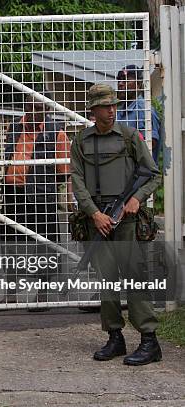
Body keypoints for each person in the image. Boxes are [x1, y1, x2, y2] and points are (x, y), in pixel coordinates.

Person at [70, 84, 162, 365]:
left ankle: (149, 341)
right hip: (97, 218)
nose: (111, 110)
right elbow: (77, 181)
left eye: (114, 105)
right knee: (106, 279)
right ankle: (114, 337)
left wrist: (136, 199)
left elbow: (153, 175)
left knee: (134, 276)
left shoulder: (129, 136)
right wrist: (94, 213)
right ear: (93, 110)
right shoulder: (81, 141)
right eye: (105, 105)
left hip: (126, 218)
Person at [0, 95, 71, 310]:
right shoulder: (14, 127)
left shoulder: (56, 132)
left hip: (41, 197)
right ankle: (11, 292)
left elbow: (63, 171)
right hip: (13, 194)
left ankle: (43, 293)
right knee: (10, 244)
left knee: (44, 245)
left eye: (38, 108)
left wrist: (43, 186)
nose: (33, 111)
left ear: (47, 109)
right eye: (30, 106)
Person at [116, 64, 162, 164]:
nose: (120, 84)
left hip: (141, 175)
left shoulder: (144, 110)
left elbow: (149, 144)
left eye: (126, 80)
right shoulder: (119, 111)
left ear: (138, 84)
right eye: (119, 80)